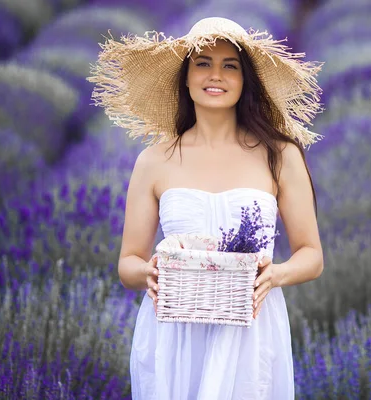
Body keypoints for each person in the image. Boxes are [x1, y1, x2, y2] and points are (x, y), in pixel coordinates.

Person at [88, 17, 324, 399]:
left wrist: (274, 275)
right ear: (185, 77)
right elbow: (128, 262)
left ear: (246, 79)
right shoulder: (154, 160)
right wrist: (150, 273)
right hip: (174, 335)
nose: (216, 75)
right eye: (203, 63)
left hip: (250, 332)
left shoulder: (280, 155)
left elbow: (312, 255)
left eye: (230, 65)